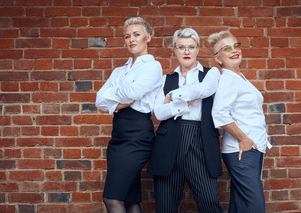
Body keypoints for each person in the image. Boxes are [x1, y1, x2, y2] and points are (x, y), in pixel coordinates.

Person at [147, 28, 223, 213]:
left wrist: (173, 96)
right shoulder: (165, 79)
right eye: (182, 47)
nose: (187, 52)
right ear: (175, 50)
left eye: (191, 47)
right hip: (169, 140)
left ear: (198, 49)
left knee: (209, 203)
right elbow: (159, 113)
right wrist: (185, 102)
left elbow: (203, 90)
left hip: (200, 140)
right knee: (165, 206)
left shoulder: (211, 73)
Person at [95, 17, 163, 213]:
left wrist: (115, 98)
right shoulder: (119, 71)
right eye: (127, 36)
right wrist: (122, 101)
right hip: (118, 137)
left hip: (137, 135)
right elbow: (100, 100)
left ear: (148, 37)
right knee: (130, 199)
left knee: (111, 198)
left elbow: (132, 94)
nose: (131, 39)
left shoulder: (152, 66)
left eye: (136, 34)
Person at [208, 31, 272, 213]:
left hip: (251, 149)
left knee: (241, 207)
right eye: (226, 48)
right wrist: (243, 138)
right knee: (255, 206)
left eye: (236, 45)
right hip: (242, 151)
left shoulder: (239, 78)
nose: (234, 50)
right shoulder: (228, 79)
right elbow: (219, 114)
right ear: (218, 58)